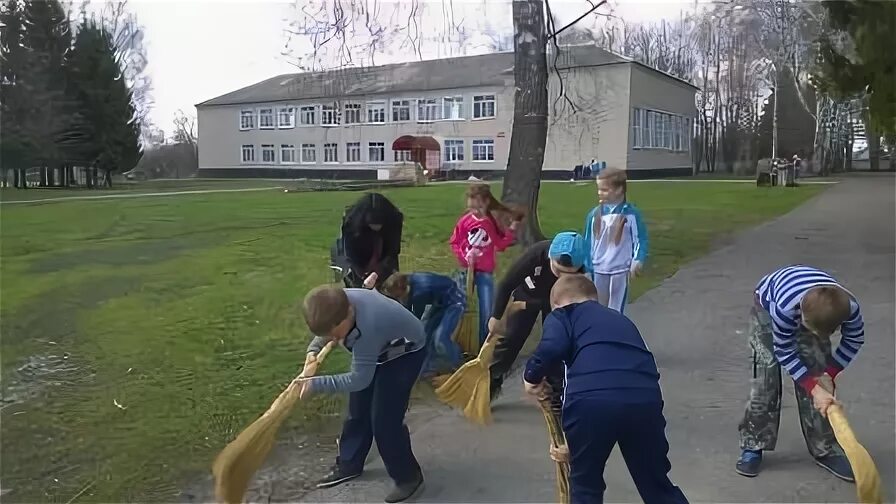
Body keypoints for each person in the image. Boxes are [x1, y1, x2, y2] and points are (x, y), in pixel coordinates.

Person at [523, 274, 688, 504]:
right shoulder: (620, 320)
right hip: (644, 399)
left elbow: (552, 346)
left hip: (592, 402)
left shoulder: (564, 315)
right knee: (656, 484)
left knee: (585, 485)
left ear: (558, 302)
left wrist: (531, 377)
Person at [298, 285, 426, 503]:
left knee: (384, 421)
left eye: (333, 333)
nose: (332, 338)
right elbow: (327, 331)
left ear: (346, 316)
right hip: (380, 349)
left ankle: (408, 477)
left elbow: (359, 379)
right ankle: (350, 463)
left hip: (404, 353)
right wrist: (313, 350)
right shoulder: (339, 303)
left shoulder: (368, 327)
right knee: (358, 410)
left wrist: (314, 385)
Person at [736, 265, 864, 481]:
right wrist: (813, 387)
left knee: (819, 378)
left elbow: (855, 339)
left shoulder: (849, 308)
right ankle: (753, 444)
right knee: (765, 380)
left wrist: (828, 375)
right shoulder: (784, 309)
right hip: (767, 307)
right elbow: (784, 350)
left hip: (813, 309)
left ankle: (825, 449)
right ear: (802, 316)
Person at [487, 231, 587, 402]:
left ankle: (555, 390)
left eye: (568, 274)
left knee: (557, 342)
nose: (562, 277)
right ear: (550, 257)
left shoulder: (583, 266)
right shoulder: (535, 255)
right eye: (559, 271)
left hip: (558, 301)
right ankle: (492, 381)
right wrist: (496, 316)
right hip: (529, 295)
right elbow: (506, 284)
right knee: (512, 339)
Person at [449, 183, 522, 344]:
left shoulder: (490, 223)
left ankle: (484, 347)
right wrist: (464, 256)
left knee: (487, 309)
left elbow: (501, 245)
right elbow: (454, 242)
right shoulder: (464, 222)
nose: (474, 212)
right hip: (465, 271)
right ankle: (454, 340)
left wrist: (512, 229)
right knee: (458, 305)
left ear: (486, 203)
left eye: (477, 208)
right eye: (471, 208)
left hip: (484, 272)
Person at [583, 167, 649, 313]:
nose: (600, 193)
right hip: (598, 269)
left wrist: (637, 260)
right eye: (599, 189)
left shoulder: (631, 214)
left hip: (620, 269)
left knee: (616, 308)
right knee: (597, 307)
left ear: (619, 190)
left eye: (605, 190)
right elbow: (587, 243)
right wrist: (586, 267)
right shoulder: (594, 215)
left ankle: (614, 333)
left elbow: (640, 239)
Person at [379, 272, 466, 376]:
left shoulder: (419, 294)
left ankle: (460, 365)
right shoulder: (409, 281)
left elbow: (414, 320)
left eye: (396, 296)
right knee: (426, 334)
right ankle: (429, 366)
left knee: (440, 339)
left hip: (455, 300)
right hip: (440, 301)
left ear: (400, 289)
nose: (395, 299)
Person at [339, 193, 404, 289]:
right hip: (358, 246)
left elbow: (393, 248)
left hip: (384, 246)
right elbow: (348, 250)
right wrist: (358, 272)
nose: (376, 227)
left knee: (389, 284)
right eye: (372, 224)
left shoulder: (394, 218)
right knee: (356, 284)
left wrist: (382, 268)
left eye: (379, 224)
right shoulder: (351, 220)